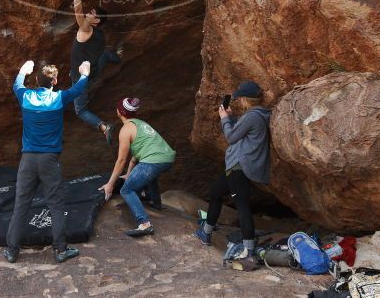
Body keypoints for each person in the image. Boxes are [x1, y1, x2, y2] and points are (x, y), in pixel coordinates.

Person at [2, 60, 90, 264]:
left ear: (35, 80)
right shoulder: (59, 98)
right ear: (56, 81)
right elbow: (78, 89)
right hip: (49, 159)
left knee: (21, 204)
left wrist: (23, 69)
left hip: (28, 159)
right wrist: (84, 72)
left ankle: (12, 251)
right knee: (56, 205)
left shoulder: (26, 96)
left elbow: (16, 85)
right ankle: (60, 250)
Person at [192, 81, 271, 271]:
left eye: (240, 98)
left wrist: (223, 118)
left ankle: (249, 251)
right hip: (238, 167)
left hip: (240, 167)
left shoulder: (252, 116)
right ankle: (206, 232)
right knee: (215, 192)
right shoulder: (260, 114)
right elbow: (243, 131)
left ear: (245, 99)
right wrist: (231, 117)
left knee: (242, 206)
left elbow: (231, 137)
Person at [99, 97, 176, 237]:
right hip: (167, 158)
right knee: (148, 174)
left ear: (119, 112)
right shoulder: (140, 124)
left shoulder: (125, 130)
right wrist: (129, 174)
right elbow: (135, 156)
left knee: (127, 189)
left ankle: (144, 224)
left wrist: (110, 184)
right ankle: (155, 202)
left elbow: (121, 160)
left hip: (153, 160)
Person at [70, 0, 123, 145]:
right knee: (104, 55)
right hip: (94, 68)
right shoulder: (99, 33)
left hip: (82, 78)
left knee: (80, 110)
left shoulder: (86, 31)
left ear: (97, 21)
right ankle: (117, 56)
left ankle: (103, 126)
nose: (87, 14)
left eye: (91, 14)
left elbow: (78, 14)